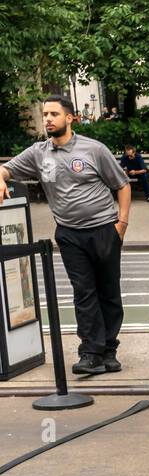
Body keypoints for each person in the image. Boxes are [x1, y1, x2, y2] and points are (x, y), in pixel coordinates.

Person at [0, 95, 130, 376]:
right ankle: (90, 353)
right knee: (84, 292)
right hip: (70, 234)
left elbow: (122, 184)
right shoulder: (38, 153)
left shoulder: (93, 150)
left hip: (104, 229)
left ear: (69, 118)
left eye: (54, 114)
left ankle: (108, 350)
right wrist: (0, 177)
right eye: (45, 114)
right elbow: (5, 169)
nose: (47, 119)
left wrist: (121, 224)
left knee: (108, 291)